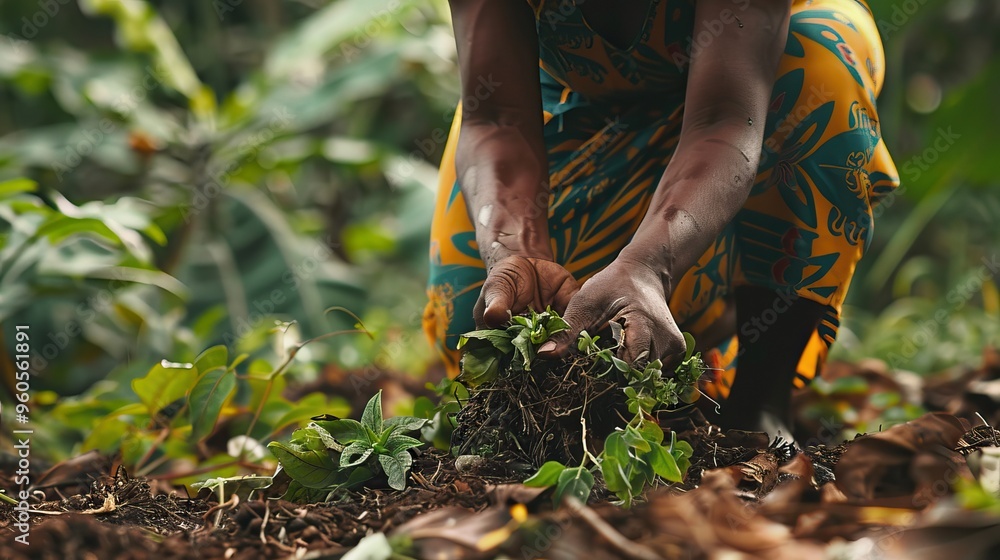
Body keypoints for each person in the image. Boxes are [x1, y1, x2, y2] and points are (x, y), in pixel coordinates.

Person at [423, 0, 898, 432]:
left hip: (748, 101)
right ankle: (691, 342)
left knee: (820, 63)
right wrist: (517, 250)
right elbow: (498, 117)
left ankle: (758, 399)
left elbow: (726, 117)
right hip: (573, 109)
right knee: (485, 317)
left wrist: (648, 264)